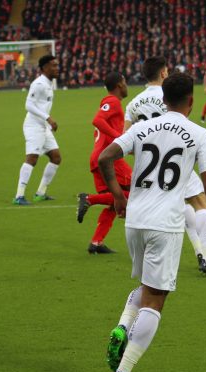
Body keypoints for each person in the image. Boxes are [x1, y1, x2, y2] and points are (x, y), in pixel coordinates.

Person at [98, 72, 206, 372]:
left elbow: (105, 157)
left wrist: (117, 195)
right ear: (191, 100)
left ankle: (123, 326)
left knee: (145, 286)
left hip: (134, 221)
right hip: (164, 224)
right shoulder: (199, 133)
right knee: (156, 300)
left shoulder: (141, 127)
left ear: (163, 98)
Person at [122, 56, 206, 277]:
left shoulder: (133, 103)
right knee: (201, 203)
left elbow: (127, 140)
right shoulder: (168, 99)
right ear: (163, 73)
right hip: (176, 164)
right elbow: (180, 132)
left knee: (183, 206)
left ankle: (200, 253)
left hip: (147, 168)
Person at [77, 72, 130, 254]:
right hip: (108, 158)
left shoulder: (111, 103)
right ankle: (89, 199)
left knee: (115, 201)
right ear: (119, 85)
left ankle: (96, 243)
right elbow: (97, 120)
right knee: (134, 191)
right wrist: (119, 138)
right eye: (124, 82)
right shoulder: (113, 102)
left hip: (100, 156)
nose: (126, 85)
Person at [12, 55, 61, 205]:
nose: (56, 68)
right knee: (32, 159)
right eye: (53, 66)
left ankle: (40, 193)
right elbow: (28, 105)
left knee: (56, 157)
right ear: (45, 68)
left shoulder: (48, 84)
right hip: (34, 126)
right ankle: (19, 196)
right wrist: (48, 118)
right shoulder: (39, 84)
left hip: (43, 127)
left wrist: (47, 122)